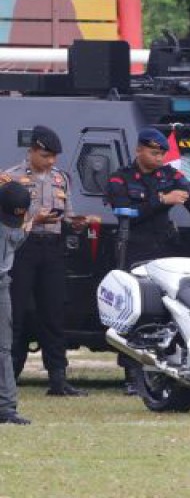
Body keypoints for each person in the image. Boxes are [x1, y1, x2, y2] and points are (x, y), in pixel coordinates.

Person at [106, 128, 190, 393]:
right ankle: (131, 376)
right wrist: (162, 200)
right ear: (139, 150)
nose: (159, 158)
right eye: (154, 153)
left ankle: (165, 367)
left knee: (166, 310)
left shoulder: (170, 175)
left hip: (165, 249)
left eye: (162, 153)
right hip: (134, 250)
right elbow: (127, 212)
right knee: (136, 312)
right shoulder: (120, 178)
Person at [1, 126, 89, 396]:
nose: (50, 161)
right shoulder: (10, 178)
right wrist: (32, 220)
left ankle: (58, 378)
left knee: (53, 313)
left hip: (51, 249)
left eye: (53, 156)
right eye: (45, 155)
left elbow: (67, 213)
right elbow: (5, 221)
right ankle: (10, 376)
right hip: (22, 249)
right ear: (31, 152)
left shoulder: (61, 178)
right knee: (14, 313)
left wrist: (76, 223)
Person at [0, 182, 33, 424]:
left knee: (3, 348)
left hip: (2, 284)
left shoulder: (16, 227)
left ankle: (6, 407)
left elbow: (18, 235)